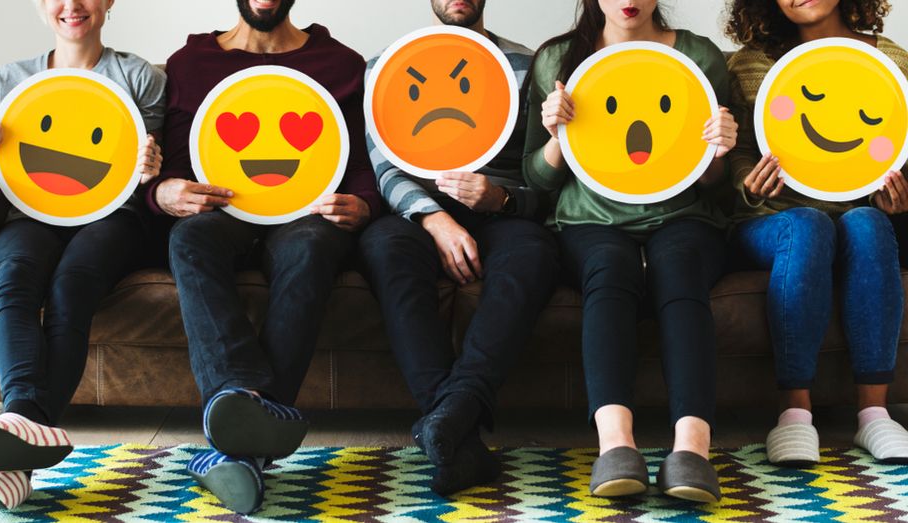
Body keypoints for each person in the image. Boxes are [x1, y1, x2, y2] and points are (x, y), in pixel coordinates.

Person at [151, 0, 381, 514]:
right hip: (222, 209)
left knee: (312, 248)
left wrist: (364, 203)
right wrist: (163, 192)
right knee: (188, 240)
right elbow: (166, 163)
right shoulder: (190, 63)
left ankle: (237, 445)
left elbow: (364, 163)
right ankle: (242, 407)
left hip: (306, 215)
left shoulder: (341, 64)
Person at [526, 0, 738, 503]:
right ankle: (616, 447)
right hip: (589, 220)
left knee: (679, 267)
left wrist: (718, 152)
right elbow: (534, 178)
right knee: (609, 266)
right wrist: (557, 136)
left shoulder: (699, 57)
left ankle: (692, 451)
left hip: (684, 217)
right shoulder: (557, 59)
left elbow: (720, 189)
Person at [358, 0, 559, 496]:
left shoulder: (528, 66)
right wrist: (436, 219)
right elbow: (385, 168)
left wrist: (502, 197)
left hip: (501, 209)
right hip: (418, 213)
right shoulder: (384, 66)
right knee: (385, 248)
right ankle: (458, 433)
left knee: (535, 254)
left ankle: (452, 412)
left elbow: (543, 177)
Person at [0, 0, 164, 511]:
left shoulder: (139, 77)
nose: (73, 6)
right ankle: (23, 426)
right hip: (29, 215)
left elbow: (149, 174)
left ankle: (17, 442)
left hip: (113, 217)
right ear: (41, 7)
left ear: (108, 3)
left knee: (72, 285)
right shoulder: (7, 81)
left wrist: (151, 165)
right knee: (13, 276)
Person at [725, 0, 908, 466]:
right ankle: (794, 416)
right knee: (808, 226)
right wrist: (748, 184)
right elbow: (738, 149)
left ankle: (874, 415)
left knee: (868, 223)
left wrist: (896, 196)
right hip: (771, 219)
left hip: (856, 213)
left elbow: (898, 148)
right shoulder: (747, 64)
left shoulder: (890, 62)